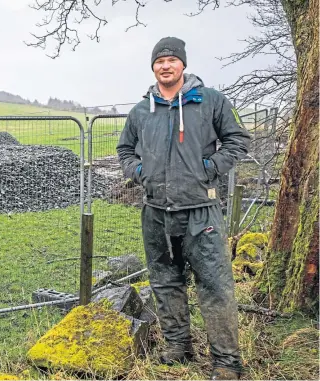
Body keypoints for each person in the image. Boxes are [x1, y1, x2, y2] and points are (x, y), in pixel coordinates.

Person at [116, 37, 251, 380]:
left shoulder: (211, 102)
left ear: (183, 65)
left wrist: (208, 168)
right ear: (153, 67)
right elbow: (125, 150)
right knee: (164, 281)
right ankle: (178, 346)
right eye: (159, 61)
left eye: (171, 60)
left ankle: (226, 362)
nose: (165, 66)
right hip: (156, 211)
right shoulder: (141, 111)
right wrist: (139, 173)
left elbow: (238, 140)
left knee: (215, 285)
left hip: (200, 211)